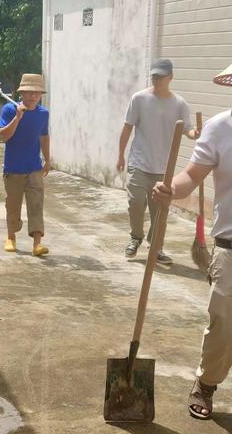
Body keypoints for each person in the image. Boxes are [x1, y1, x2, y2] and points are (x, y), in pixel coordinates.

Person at [153, 63, 232, 420]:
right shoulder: (220, 128)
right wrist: (172, 190)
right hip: (231, 244)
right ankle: (207, 383)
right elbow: (191, 176)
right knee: (224, 323)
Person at [116, 59, 198, 264]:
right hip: (139, 161)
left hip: (164, 167)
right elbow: (127, 127)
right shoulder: (139, 99)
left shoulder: (179, 103)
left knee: (159, 210)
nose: (157, 79)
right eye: (154, 75)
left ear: (170, 77)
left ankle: (156, 246)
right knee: (135, 202)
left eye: (161, 76)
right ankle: (135, 237)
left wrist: (195, 133)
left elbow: (188, 128)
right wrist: (121, 155)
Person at [0, 74, 50, 256]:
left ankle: (37, 244)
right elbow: (4, 135)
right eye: (29, 92)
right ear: (22, 93)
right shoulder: (9, 110)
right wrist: (17, 118)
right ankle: (11, 237)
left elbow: (44, 137)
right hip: (13, 168)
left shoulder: (43, 114)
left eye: (36, 92)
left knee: (36, 205)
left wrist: (48, 159)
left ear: (40, 94)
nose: (33, 96)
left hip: (34, 167)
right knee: (13, 205)